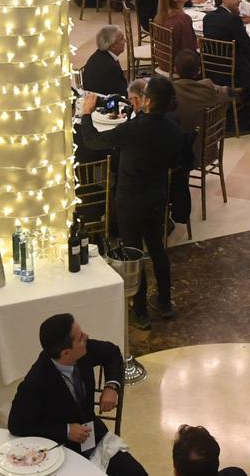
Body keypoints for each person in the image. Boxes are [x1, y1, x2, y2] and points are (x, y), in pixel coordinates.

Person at [75, 81, 190, 327]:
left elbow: (92, 140)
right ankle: (165, 302)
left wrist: (86, 113)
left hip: (129, 199)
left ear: (146, 101)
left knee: (133, 252)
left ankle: (140, 311)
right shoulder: (171, 128)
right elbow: (174, 162)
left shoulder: (134, 130)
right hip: (156, 196)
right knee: (157, 250)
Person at [8, 314, 148, 476]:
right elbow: (16, 424)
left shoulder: (84, 350)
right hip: (62, 450)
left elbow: (112, 352)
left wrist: (112, 386)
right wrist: (65, 430)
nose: (87, 337)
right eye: (81, 336)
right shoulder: (36, 382)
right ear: (66, 353)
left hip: (92, 434)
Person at [169, 49, 234, 143]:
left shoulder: (169, 90)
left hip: (175, 150)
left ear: (175, 69)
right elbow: (229, 94)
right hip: (204, 149)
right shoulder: (207, 86)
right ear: (199, 70)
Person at [150, 0, 198, 68]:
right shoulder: (183, 19)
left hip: (163, 62)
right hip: (179, 66)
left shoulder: (159, 17)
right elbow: (189, 49)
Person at [81, 24, 129, 95]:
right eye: (122, 39)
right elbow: (123, 93)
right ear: (113, 46)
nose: (125, 41)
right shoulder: (111, 67)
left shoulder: (98, 55)